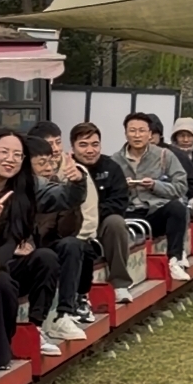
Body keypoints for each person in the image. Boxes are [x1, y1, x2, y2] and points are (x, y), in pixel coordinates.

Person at [0, 129, 87, 358]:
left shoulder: (28, 185)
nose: (10, 159)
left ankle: (36, 327)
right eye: (4, 152)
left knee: (46, 258)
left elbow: (63, 197)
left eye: (17, 155)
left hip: (10, 262)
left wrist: (77, 182)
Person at [24, 135, 90, 340]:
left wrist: (75, 186)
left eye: (51, 162)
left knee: (73, 245)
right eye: (41, 163)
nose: (48, 168)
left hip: (47, 247)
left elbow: (69, 230)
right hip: (22, 252)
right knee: (45, 257)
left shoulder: (54, 188)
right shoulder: (19, 188)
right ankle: (36, 327)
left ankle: (65, 314)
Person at [114, 112, 190, 283]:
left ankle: (175, 260)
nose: (137, 135)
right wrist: (122, 187)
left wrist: (155, 185)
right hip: (128, 212)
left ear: (150, 134)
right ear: (125, 133)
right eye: (132, 131)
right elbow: (108, 194)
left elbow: (181, 187)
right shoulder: (115, 160)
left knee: (177, 208)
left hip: (155, 211)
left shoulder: (165, 155)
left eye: (142, 131)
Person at [70, 122, 135, 305]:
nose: (90, 150)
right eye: (83, 145)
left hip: (102, 221)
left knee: (117, 223)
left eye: (95, 144)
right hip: (71, 224)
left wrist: (92, 214)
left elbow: (119, 202)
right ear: (72, 147)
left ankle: (120, 283)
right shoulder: (66, 168)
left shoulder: (111, 168)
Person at [148, 114, 193, 201]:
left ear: (160, 134)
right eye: (145, 132)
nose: (149, 137)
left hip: (171, 199)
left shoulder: (175, 154)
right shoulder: (128, 153)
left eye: (153, 133)